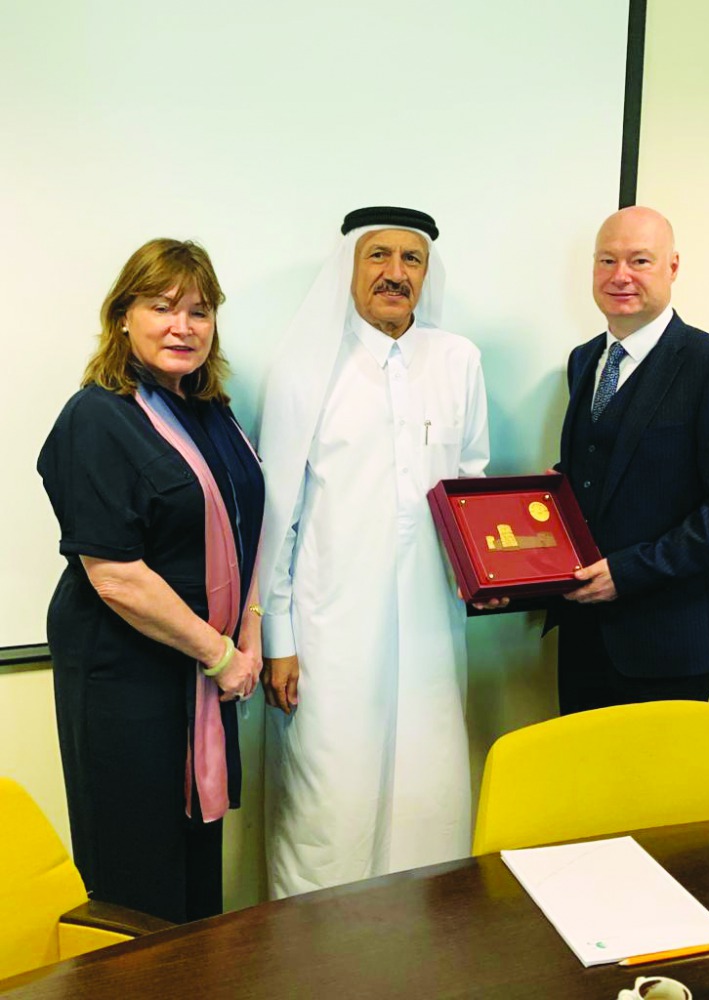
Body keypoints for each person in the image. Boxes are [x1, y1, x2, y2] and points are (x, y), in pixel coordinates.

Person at [259, 206, 490, 898]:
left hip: (430, 631)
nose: (395, 274)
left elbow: (473, 482)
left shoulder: (459, 360)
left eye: (411, 260)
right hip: (328, 632)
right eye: (378, 257)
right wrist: (278, 636)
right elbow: (278, 516)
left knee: (431, 792)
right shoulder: (307, 368)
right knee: (329, 805)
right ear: (351, 268)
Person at [37, 239, 264, 923]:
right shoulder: (98, 416)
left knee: (197, 861)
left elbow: (243, 526)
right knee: (137, 872)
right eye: (163, 307)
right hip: (127, 674)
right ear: (123, 315)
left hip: (206, 669)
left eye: (199, 311)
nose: (182, 326)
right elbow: (115, 576)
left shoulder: (210, 411)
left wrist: (246, 635)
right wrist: (221, 652)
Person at [550, 206, 709, 715]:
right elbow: (595, 476)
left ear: (673, 268)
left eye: (640, 260)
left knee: (659, 795)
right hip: (582, 637)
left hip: (670, 644)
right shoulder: (583, 359)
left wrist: (632, 572)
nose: (620, 276)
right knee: (589, 787)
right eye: (607, 260)